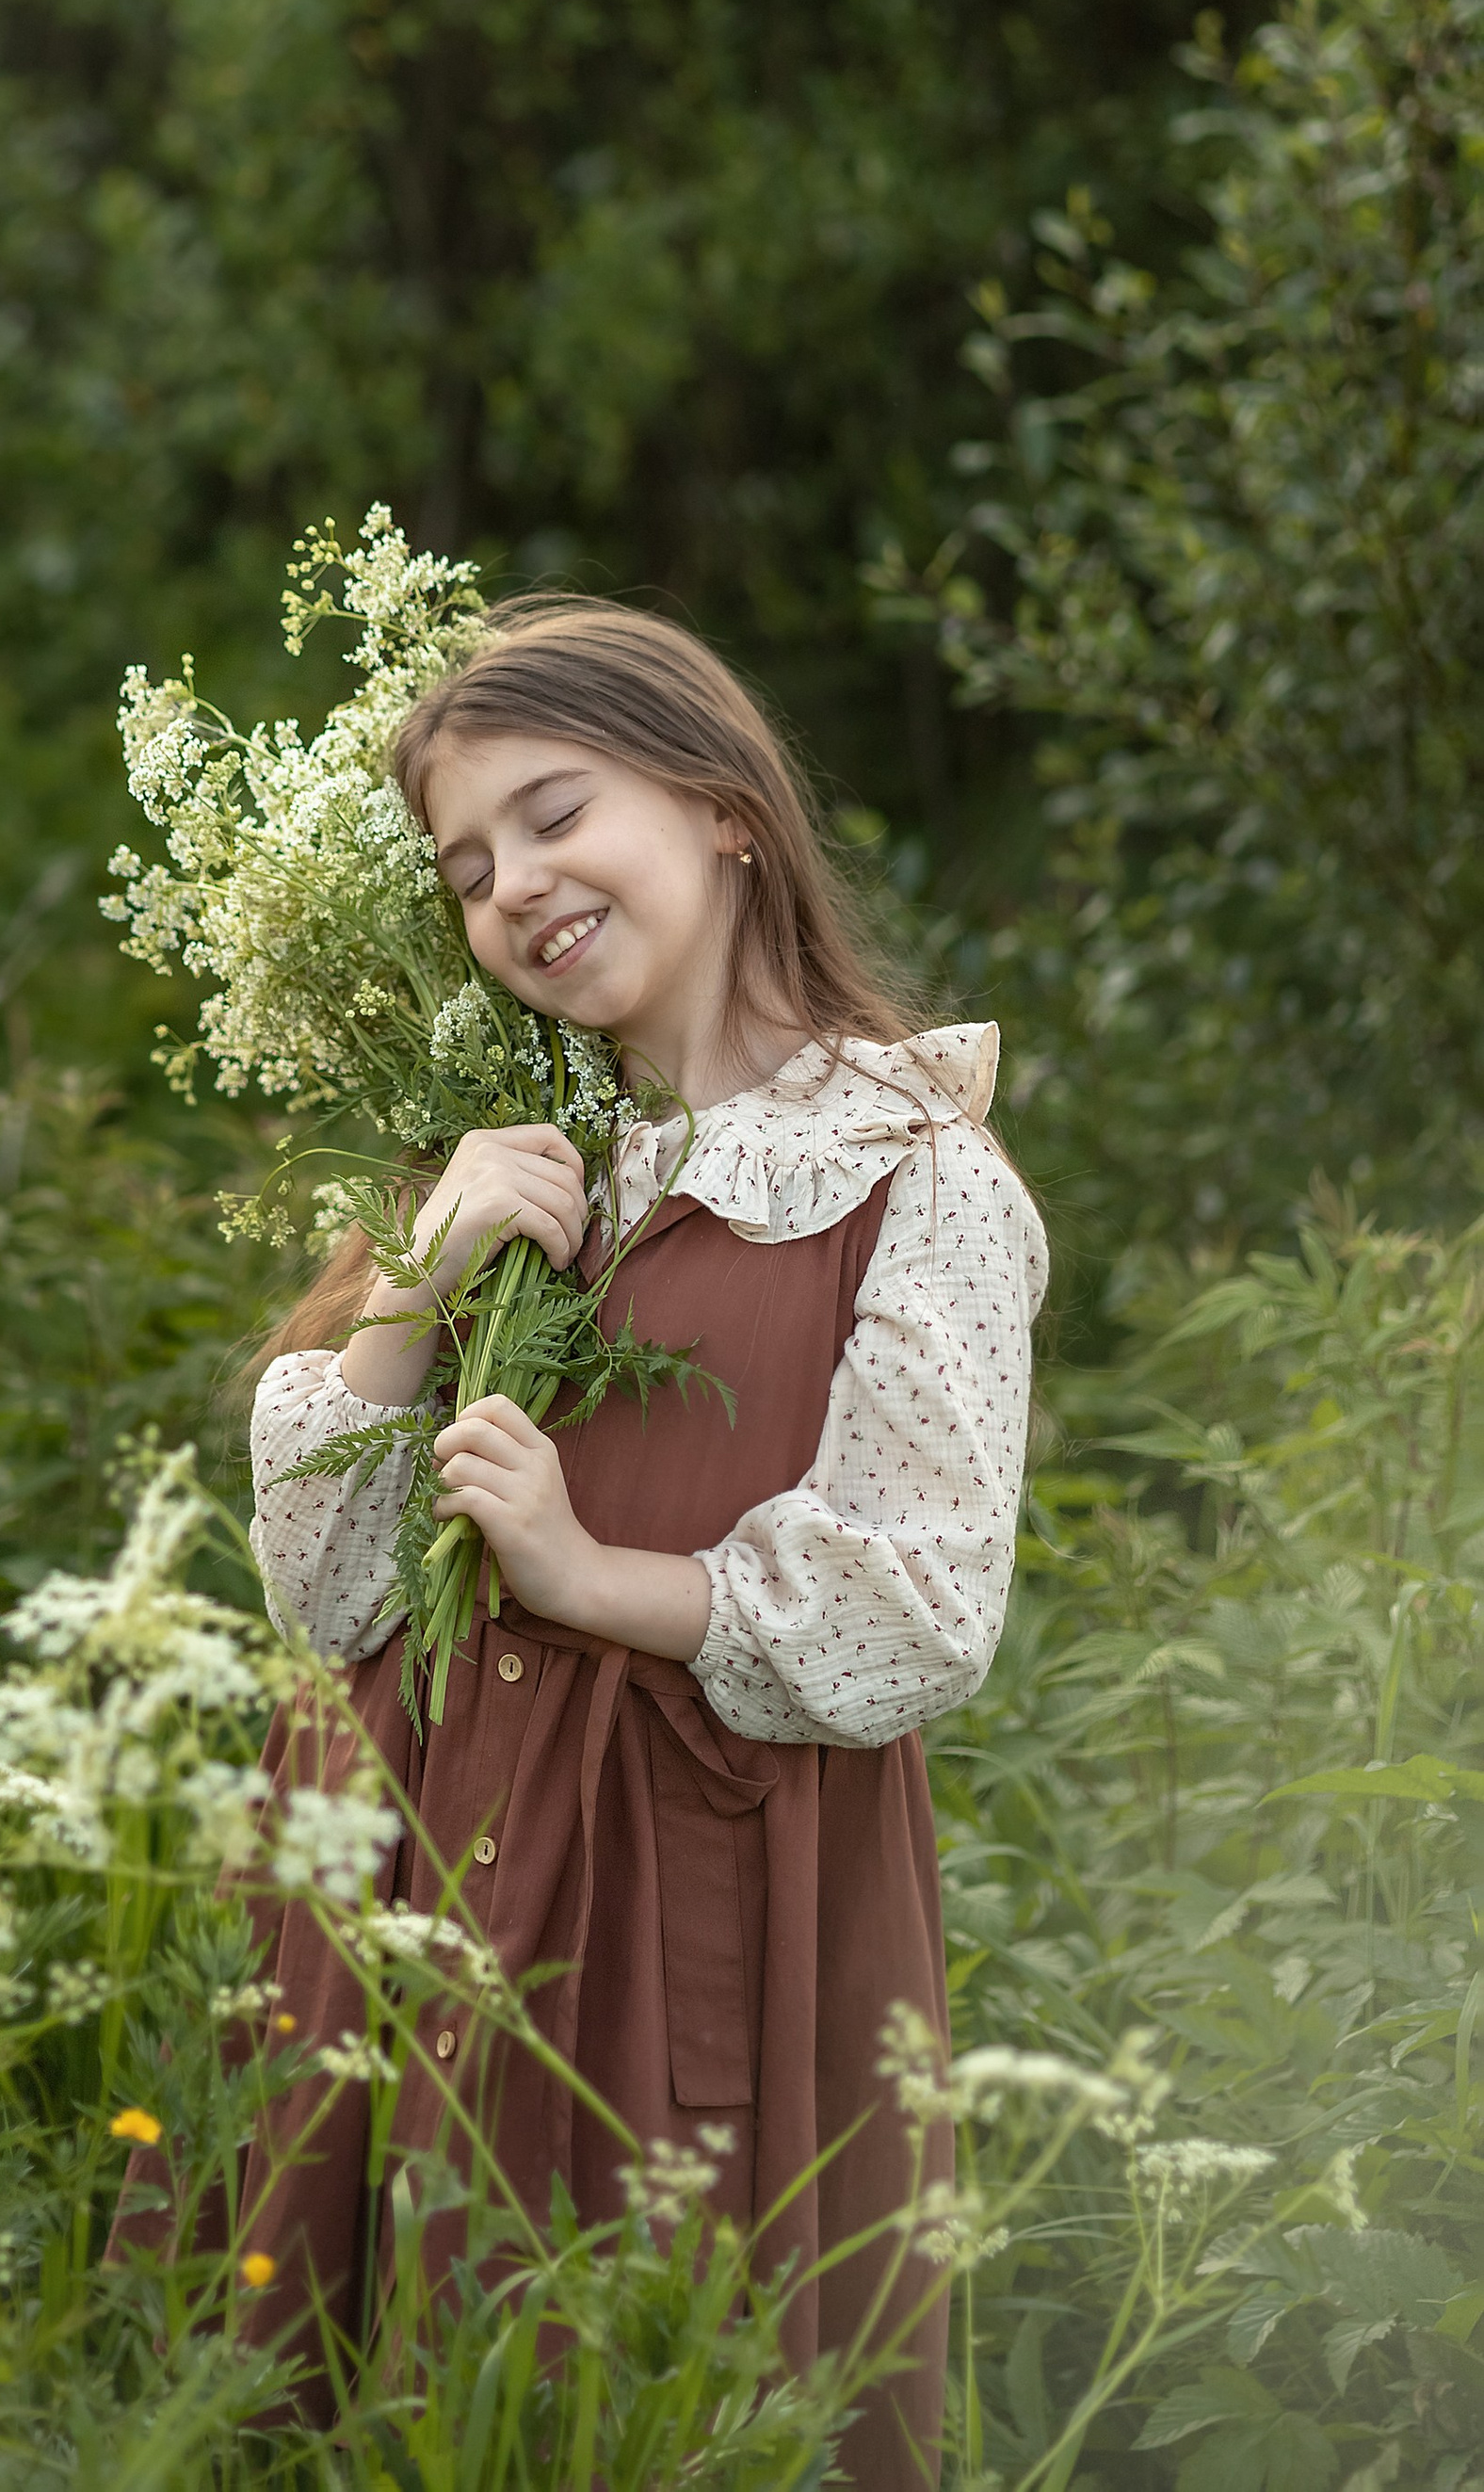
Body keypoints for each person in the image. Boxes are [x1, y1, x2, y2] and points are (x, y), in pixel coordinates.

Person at [236, 599, 1048, 2490]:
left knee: (667, 2391)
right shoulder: (487, 1153)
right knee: (380, 2407)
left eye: (549, 813)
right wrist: (410, 1286)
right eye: (464, 865)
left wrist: (586, 1575)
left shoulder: (907, 1178)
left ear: (720, 810)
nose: (510, 885)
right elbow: (327, 1590)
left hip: (694, 1906)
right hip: (405, 1891)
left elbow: (918, 1605)